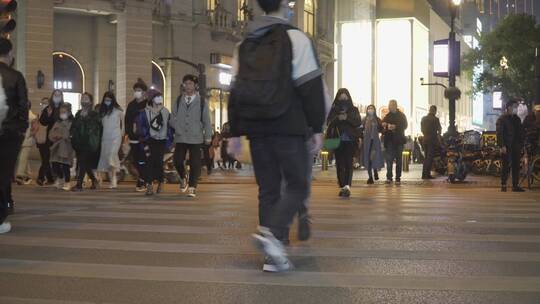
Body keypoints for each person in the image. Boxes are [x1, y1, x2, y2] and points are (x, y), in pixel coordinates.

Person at [228, 0, 326, 272]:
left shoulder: (245, 44)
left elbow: (235, 93)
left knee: (268, 189)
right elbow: (310, 87)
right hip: (287, 125)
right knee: (297, 185)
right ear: (284, 5)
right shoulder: (296, 39)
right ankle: (272, 233)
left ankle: (274, 254)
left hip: (256, 129)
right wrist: (317, 127)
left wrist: (234, 133)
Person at [0, 38, 29, 233]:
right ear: (9, 54)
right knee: (3, 174)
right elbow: (22, 107)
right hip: (8, 133)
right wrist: (20, 129)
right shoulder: (15, 76)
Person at [171, 74, 212, 198]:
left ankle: (193, 186)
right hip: (181, 136)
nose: (188, 86)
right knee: (177, 160)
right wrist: (177, 127)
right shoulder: (178, 100)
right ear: (183, 85)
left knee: (195, 162)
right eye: (186, 83)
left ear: (195, 86)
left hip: (195, 136)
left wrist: (208, 136)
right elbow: (172, 117)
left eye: (190, 83)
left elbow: (206, 121)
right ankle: (183, 177)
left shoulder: (202, 102)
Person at [326, 89, 362, 197]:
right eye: (341, 97)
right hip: (337, 140)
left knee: (348, 164)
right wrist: (338, 118)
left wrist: (347, 118)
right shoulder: (333, 110)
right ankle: (342, 186)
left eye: (345, 97)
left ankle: (347, 186)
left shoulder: (354, 110)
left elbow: (358, 122)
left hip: (350, 140)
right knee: (340, 164)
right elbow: (329, 122)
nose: (343, 99)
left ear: (348, 97)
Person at [139, 89, 171, 196]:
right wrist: (144, 135)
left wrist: (169, 141)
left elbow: (169, 127)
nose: (159, 98)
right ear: (152, 99)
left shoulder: (165, 112)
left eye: (160, 96)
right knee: (149, 162)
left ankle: (161, 181)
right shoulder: (145, 112)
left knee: (158, 162)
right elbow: (141, 125)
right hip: (149, 140)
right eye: (157, 96)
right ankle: (149, 185)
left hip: (162, 141)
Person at [71, 93, 102, 192]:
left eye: (86, 98)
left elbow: (94, 128)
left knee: (83, 162)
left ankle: (79, 184)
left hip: (89, 142)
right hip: (78, 142)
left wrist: (85, 118)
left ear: (91, 102)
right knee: (84, 163)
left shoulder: (94, 114)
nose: (84, 100)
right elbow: (74, 126)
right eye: (83, 98)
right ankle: (94, 180)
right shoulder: (78, 113)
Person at [125, 79, 149, 192]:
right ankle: (143, 178)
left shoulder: (148, 104)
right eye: (135, 90)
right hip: (133, 138)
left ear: (144, 92)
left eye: (139, 90)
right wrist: (128, 133)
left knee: (142, 159)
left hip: (144, 138)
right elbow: (127, 120)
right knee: (135, 160)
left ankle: (143, 180)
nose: (137, 92)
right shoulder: (131, 105)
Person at [496, 100, 525, 192]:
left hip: (516, 146)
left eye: (517, 107)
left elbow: (521, 132)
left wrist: (521, 144)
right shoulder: (502, 119)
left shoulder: (517, 119)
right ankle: (503, 184)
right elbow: (499, 133)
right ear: (509, 107)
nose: (516, 109)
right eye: (515, 107)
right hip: (507, 146)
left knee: (516, 166)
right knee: (505, 166)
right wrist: (502, 145)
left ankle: (515, 185)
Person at [97, 91, 124, 189]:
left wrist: (122, 134)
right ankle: (111, 178)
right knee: (107, 158)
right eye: (105, 100)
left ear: (113, 100)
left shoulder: (118, 110)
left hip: (116, 137)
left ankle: (114, 178)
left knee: (112, 155)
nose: (107, 101)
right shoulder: (102, 112)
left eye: (109, 100)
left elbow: (123, 123)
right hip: (105, 138)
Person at [39, 90, 65, 185]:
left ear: (61, 97)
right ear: (52, 96)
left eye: (59, 95)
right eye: (55, 95)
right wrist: (48, 115)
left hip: (60, 137)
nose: (57, 97)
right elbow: (42, 121)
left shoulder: (64, 108)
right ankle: (42, 177)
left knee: (57, 159)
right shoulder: (48, 108)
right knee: (46, 158)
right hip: (50, 137)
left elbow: (68, 120)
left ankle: (59, 177)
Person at [49, 103, 74, 191]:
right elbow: (51, 133)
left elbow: (72, 135)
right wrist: (54, 137)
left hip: (66, 147)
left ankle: (67, 182)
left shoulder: (72, 123)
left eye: (64, 112)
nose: (62, 114)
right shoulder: (57, 122)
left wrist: (65, 137)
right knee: (55, 164)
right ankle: (60, 178)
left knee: (65, 165)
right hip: (56, 146)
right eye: (61, 112)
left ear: (69, 112)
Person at [382, 99, 408, 185]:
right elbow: (382, 126)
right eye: (390, 105)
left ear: (396, 106)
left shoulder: (401, 115)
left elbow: (405, 125)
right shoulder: (387, 116)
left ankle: (398, 178)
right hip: (389, 141)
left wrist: (395, 126)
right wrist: (384, 125)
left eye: (393, 105)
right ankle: (389, 177)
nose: (391, 106)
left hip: (399, 141)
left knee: (399, 160)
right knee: (389, 160)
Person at [362, 104, 384, 184]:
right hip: (367, 142)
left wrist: (382, 127)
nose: (370, 110)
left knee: (373, 157)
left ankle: (375, 171)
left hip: (375, 142)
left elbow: (382, 129)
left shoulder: (377, 120)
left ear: (374, 110)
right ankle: (370, 177)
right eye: (369, 108)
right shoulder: (364, 120)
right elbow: (361, 129)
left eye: (372, 108)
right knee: (368, 159)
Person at [15, 105, 37, 185]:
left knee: (23, 158)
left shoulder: (32, 116)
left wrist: (29, 135)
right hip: (19, 140)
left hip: (27, 141)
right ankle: (28, 175)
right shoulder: (18, 114)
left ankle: (19, 176)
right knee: (22, 158)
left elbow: (35, 128)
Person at [421, 105, 442, 179]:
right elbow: (439, 129)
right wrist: (439, 137)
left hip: (425, 139)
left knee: (426, 157)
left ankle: (424, 174)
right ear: (435, 111)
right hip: (432, 140)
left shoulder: (423, 118)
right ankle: (427, 175)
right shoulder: (435, 119)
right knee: (429, 158)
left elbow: (422, 129)